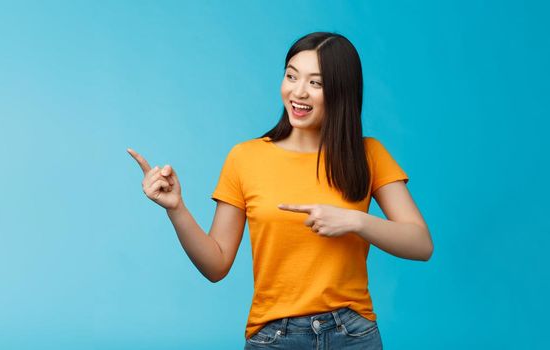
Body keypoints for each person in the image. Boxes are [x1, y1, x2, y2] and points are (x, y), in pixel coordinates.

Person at [126, 32, 433, 349]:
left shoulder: (367, 154)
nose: (298, 92)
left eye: (316, 83)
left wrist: (355, 221)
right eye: (291, 76)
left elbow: (421, 244)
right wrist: (176, 208)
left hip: (353, 334)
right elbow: (216, 265)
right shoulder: (245, 158)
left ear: (341, 92)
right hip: (275, 337)